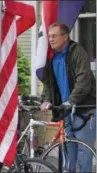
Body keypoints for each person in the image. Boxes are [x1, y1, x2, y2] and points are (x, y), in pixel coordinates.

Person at [40, 22, 96, 172]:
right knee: (68, 154)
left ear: (65, 37)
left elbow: (83, 81)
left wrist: (70, 101)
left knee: (84, 154)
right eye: (49, 36)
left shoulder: (77, 52)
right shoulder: (52, 58)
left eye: (54, 36)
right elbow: (48, 83)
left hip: (84, 110)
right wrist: (45, 99)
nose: (50, 39)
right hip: (65, 112)